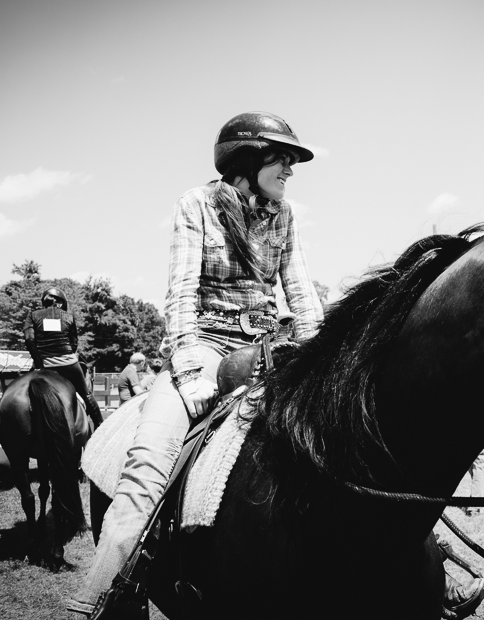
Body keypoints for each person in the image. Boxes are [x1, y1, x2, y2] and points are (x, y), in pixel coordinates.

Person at [68, 111, 329, 616]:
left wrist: (319, 355)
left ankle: (419, 562)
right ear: (247, 159)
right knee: (150, 457)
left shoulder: (285, 214)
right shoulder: (197, 204)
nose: (291, 171)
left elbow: (299, 288)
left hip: (270, 347)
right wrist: (188, 372)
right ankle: (105, 590)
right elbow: (182, 291)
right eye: (283, 160)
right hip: (205, 345)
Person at [23, 287, 103, 430]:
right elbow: (74, 344)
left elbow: (29, 340)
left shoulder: (33, 315)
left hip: (43, 365)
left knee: (24, 393)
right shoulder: (68, 316)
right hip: (68, 364)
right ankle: (100, 426)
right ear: (60, 303)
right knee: (86, 394)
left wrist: (39, 362)